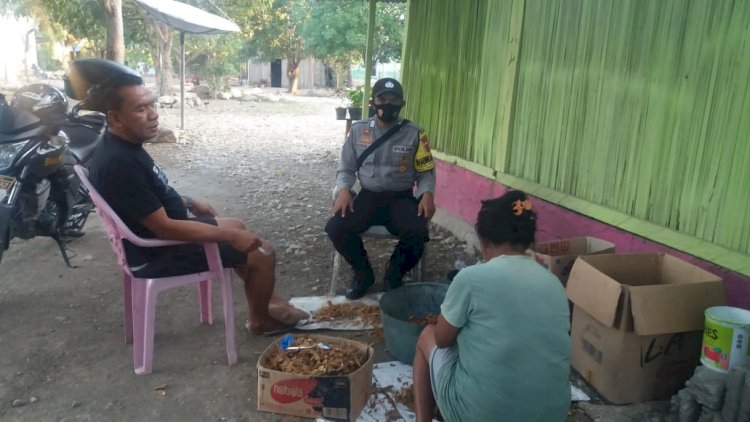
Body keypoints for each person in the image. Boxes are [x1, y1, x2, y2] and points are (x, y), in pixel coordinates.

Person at [86, 66, 306, 335]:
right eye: (141, 109)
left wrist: (188, 202)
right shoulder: (120, 164)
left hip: (159, 237)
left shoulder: (123, 146)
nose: (154, 114)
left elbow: (152, 194)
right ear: (115, 118)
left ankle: (268, 301)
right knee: (263, 252)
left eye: (152, 105)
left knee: (237, 224)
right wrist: (226, 237)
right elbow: (165, 228)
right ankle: (260, 322)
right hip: (156, 251)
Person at [412, 191, 571, 422]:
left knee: (426, 337)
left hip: (480, 414)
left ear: (484, 242)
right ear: (529, 241)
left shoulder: (471, 278)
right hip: (552, 414)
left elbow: (442, 338)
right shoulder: (554, 283)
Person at [325, 77, 436, 300]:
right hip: (368, 197)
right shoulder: (358, 132)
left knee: (418, 232)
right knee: (336, 227)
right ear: (372, 102)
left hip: (401, 198)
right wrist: (344, 190)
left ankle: (394, 275)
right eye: (382, 98)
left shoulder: (415, 133)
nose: (387, 103)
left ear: (402, 103)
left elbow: (425, 172)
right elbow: (345, 168)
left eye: (393, 99)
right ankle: (363, 274)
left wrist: (427, 194)